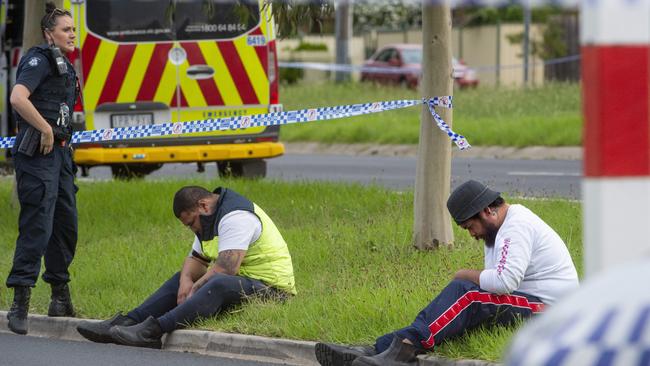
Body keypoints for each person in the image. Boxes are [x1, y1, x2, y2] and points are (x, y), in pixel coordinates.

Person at [315, 180, 579, 366]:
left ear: (487, 210)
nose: (472, 234)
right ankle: (376, 350)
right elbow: (497, 281)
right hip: (531, 302)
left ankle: (401, 351)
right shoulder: (499, 230)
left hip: (550, 310)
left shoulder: (516, 227)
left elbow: (503, 282)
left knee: (466, 294)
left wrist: (466, 274)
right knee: (463, 299)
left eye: (470, 226)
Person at [76, 186, 297, 349]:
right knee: (182, 278)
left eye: (191, 223)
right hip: (242, 283)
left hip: (273, 291)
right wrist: (185, 282)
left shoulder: (236, 216)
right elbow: (196, 260)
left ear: (203, 205)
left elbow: (227, 268)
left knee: (216, 282)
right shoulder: (209, 218)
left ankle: (153, 331)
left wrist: (194, 288)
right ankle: (129, 321)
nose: (192, 229)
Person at [6, 3, 79, 335]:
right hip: (38, 154)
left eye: (74, 29)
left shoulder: (65, 64)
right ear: (49, 33)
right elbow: (18, 98)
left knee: (66, 226)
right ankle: (20, 300)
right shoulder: (38, 59)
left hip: (61, 156)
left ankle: (59, 296)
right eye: (66, 29)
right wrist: (46, 129)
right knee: (37, 226)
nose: (72, 34)